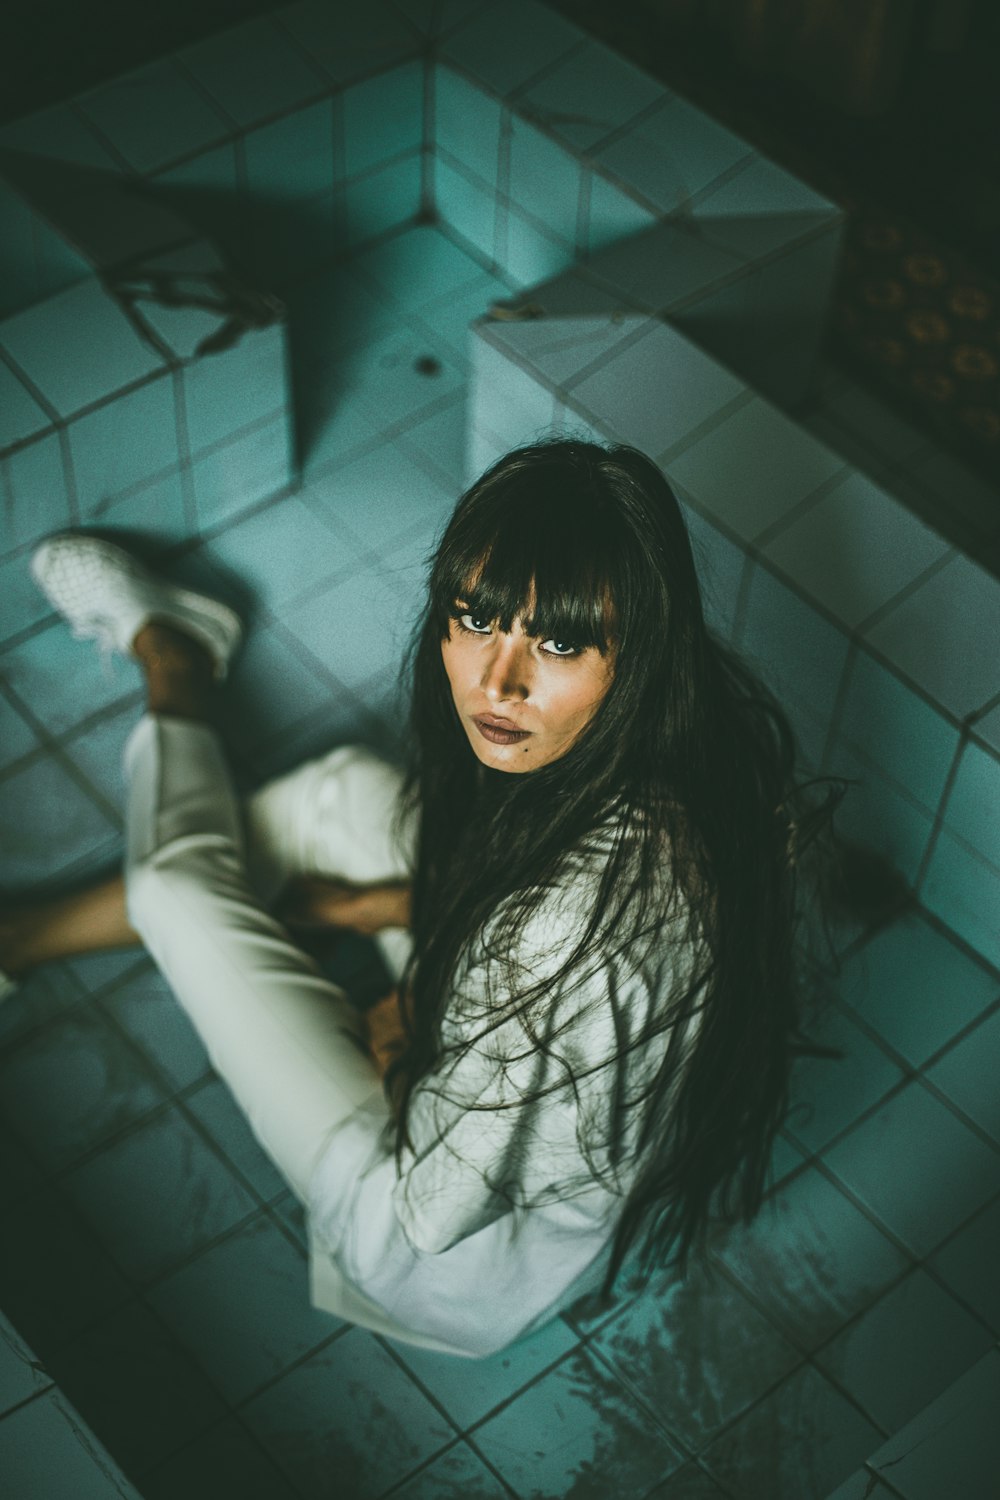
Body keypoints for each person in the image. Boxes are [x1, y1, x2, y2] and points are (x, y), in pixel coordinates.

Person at [1, 440, 831, 1359]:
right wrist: (375, 910)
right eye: (475, 618)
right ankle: (20, 937)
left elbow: (434, 1211)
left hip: (433, 1249)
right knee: (342, 790)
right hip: (521, 1041)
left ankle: (173, 657)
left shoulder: (566, 933)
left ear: (635, 654)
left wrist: (398, 1046)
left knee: (173, 884)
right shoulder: (704, 749)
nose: (496, 682)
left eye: (558, 642)